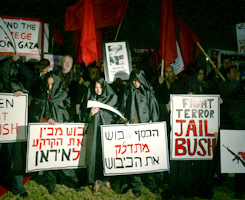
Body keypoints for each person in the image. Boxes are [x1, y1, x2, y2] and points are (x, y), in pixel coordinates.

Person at [29, 72, 80, 193]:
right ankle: (50, 185)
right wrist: (47, 118)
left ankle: (72, 182)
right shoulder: (41, 94)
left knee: (64, 159)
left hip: (60, 132)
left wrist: (56, 119)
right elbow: (36, 110)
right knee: (48, 159)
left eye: (52, 85)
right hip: (46, 132)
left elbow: (68, 111)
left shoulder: (63, 95)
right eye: (48, 84)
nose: (50, 87)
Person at [119, 69, 160, 197]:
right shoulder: (127, 92)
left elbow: (153, 108)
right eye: (134, 80)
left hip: (145, 129)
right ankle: (136, 186)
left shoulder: (148, 93)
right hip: (132, 128)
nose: (136, 83)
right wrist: (124, 120)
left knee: (148, 157)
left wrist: (153, 121)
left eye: (138, 80)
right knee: (135, 158)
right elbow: (122, 109)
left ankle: (151, 184)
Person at [0, 54, 33, 198]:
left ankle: (18, 187)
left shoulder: (21, 67)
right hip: (4, 115)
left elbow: (30, 78)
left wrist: (18, 61)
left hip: (14, 119)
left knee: (16, 155)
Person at [79, 77, 118, 195]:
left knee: (107, 155)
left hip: (107, 134)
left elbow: (116, 115)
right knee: (95, 155)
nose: (98, 90)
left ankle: (106, 180)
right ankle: (95, 180)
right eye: (96, 87)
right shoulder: (89, 96)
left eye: (100, 87)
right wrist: (90, 114)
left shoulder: (112, 97)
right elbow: (82, 114)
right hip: (94, 133)